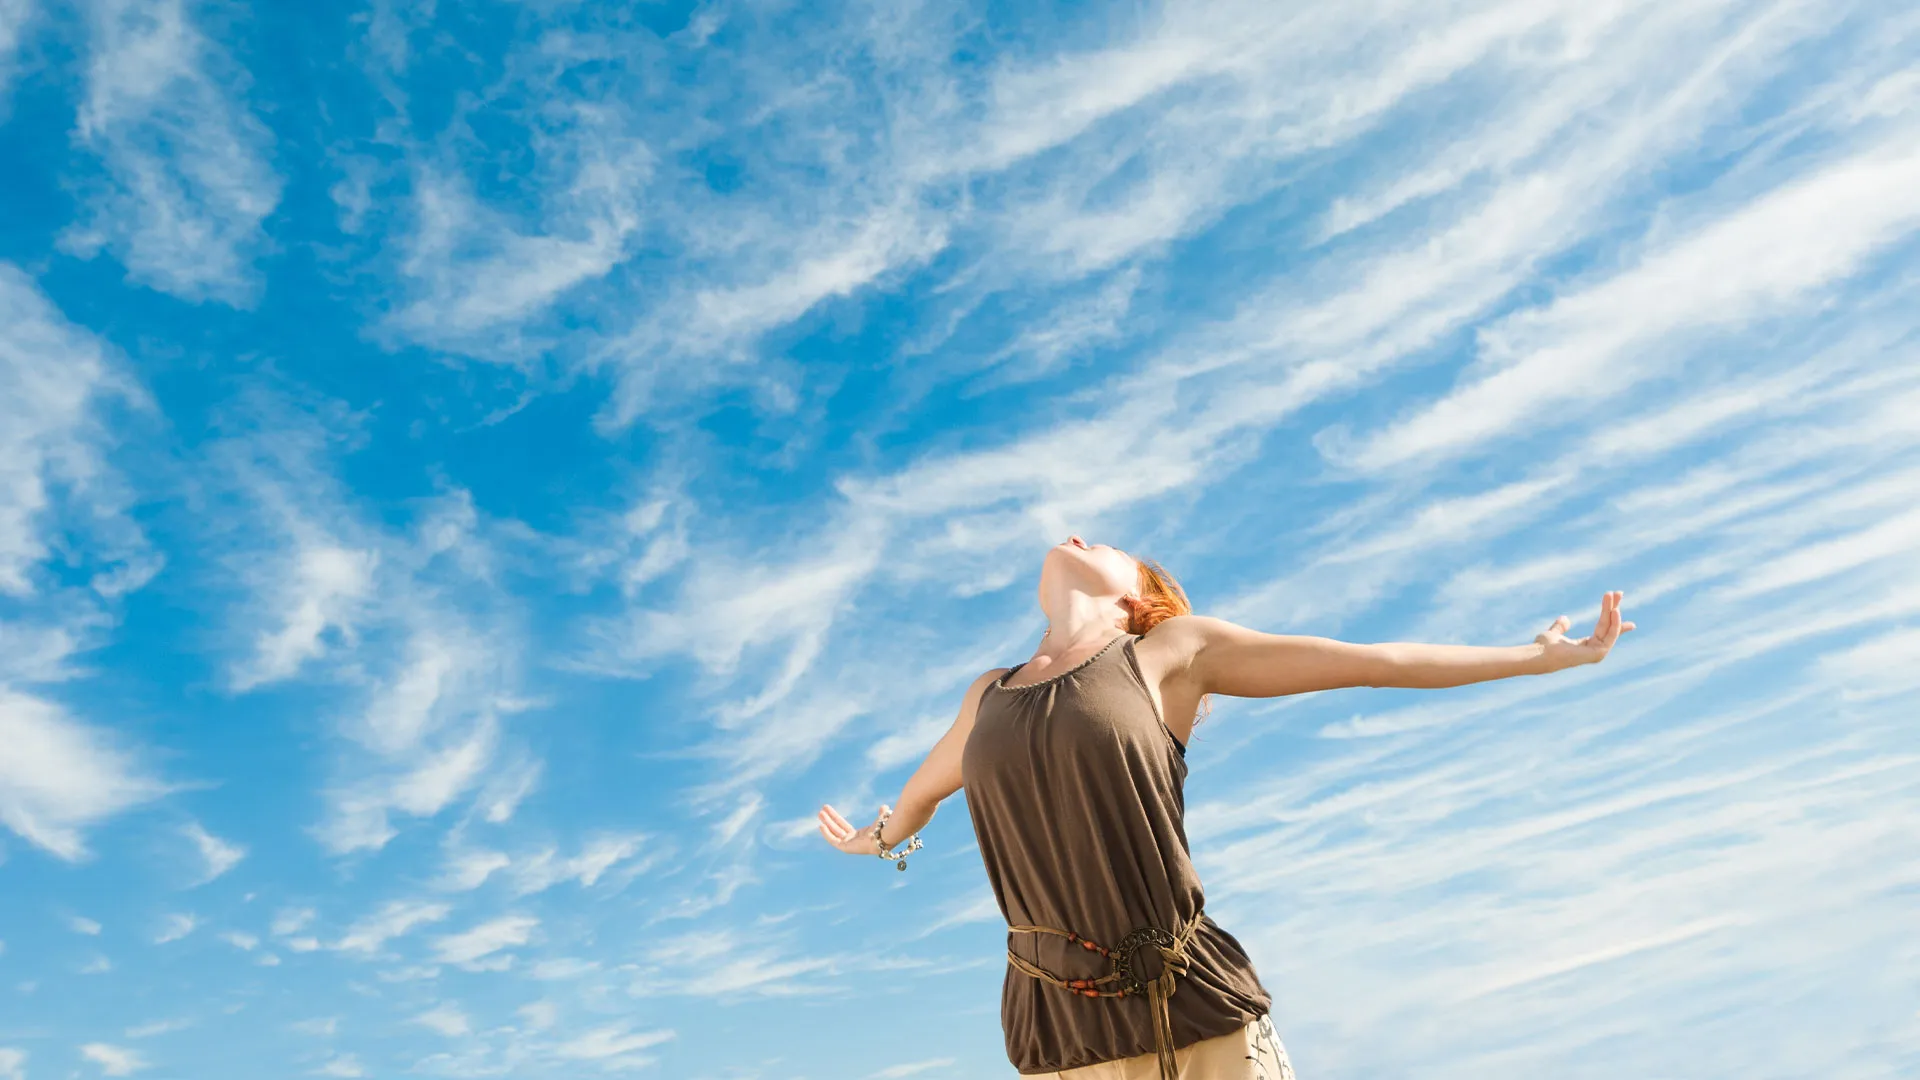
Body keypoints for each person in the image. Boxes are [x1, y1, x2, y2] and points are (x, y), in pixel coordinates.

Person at [818, 535, 1634, 1079]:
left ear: (1139, 597)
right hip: (1059, 1024)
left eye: (1104, 543)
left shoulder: (1170, 651)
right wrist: (874, 840)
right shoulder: (986, 697)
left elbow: (1375, 662)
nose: (1077, 536)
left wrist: (1538, 659)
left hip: (1196, 1003)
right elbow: (919, 799)